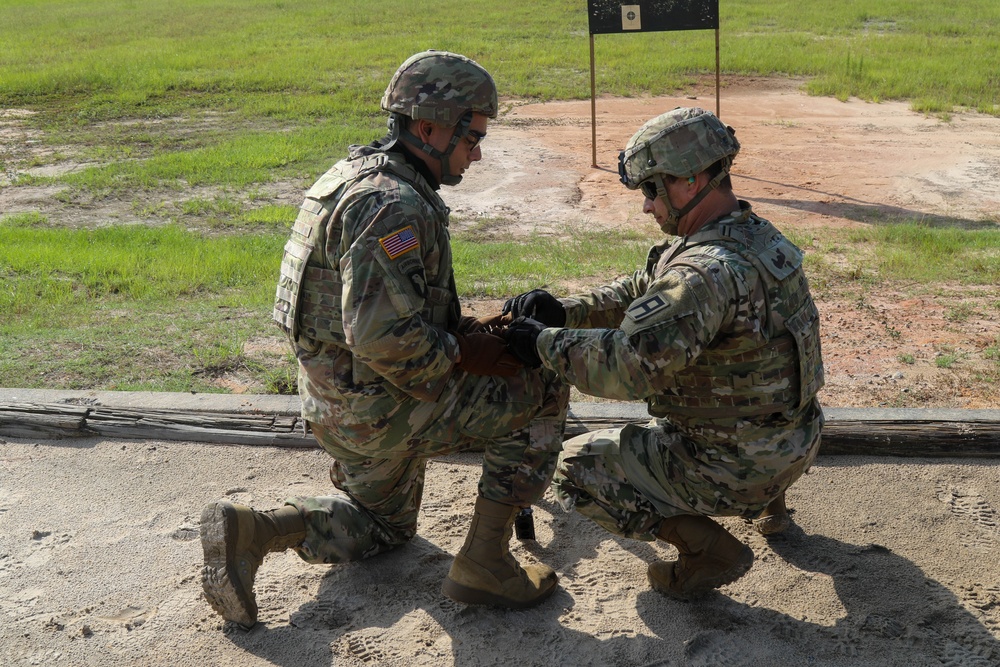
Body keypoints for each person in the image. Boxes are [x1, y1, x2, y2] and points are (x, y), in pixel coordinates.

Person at [199, 50, 569, 628]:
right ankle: (486, 562)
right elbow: (379, 334)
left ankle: (256, 528)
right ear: (429, 129)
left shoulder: (352, 178)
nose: (478, 151)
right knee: (544, 380)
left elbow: (373, 312)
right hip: (382, 408)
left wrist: (467, 330)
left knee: (384, 529)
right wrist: (467, 352)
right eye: (472, 136)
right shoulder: (391, 205)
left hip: (337, 407)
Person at [503, 107, 825, 600]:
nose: (647, 206)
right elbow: (645, 289)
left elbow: (627, 369)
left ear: (691, 180)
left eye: (652, 190)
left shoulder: (700, 275)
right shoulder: (753, 237)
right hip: (798, 441)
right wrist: (565, 312)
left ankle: (710, 551)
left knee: (572, 468)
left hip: (737, 464)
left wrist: (541, 343)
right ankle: (773, 510)